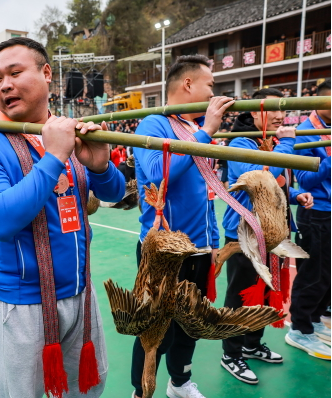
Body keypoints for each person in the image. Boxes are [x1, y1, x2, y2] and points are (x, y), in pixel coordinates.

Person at [0, 37, 125, 398]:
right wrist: (52, 158)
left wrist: (99, 167)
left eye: (16, 73)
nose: (5, 84)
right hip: (23, 303)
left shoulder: (68, 132)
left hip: (81, 293)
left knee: (88, 388)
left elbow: (114, 193)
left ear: (46, 73)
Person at [132, 55, 234, 398]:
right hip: (166, 252)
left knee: (191, 323)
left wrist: (215, 244)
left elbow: (207, 194)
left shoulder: (194, 129)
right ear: (188, 84)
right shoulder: (153, 124)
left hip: (201, 248)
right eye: (210, 86)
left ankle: (179, 383)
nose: (212, 93)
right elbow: (161, 177)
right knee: (155, 329)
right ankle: (141, 391)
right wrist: (206, 132)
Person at [220, 88, 315, 384]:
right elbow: (259, 179)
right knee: (241, 295)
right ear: (253, 112)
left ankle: (251, 343)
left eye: (282, 110)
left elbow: (278, 184)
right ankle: (231, 353)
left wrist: (296, 195)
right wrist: (286, 144)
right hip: (245, 233)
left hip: (273, 231)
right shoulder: (240, 143)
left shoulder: (270, 142)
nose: (279, 115)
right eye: (273, 108)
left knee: (263, 291)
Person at [287, 79, 332, 359]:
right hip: (313, 211)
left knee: (326, 272)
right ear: (319, 99)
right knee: (311, 272)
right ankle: (299, 328)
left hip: (330, 210)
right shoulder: (304, 132)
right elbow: (305, 177)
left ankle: (315, 319)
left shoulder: (327, 129)